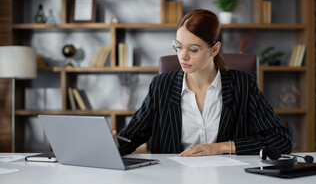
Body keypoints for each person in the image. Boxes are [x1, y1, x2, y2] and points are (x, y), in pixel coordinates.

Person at [114, 9, 292, 157]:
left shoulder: (243, 85)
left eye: (193, 49)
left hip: (230, 180)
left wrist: (222, 147)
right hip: (171, 182)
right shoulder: (161, 86)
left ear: (214, 49)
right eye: (178, 46)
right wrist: (114, 145)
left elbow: (281, 139)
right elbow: (131, 137)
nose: (183, 56)